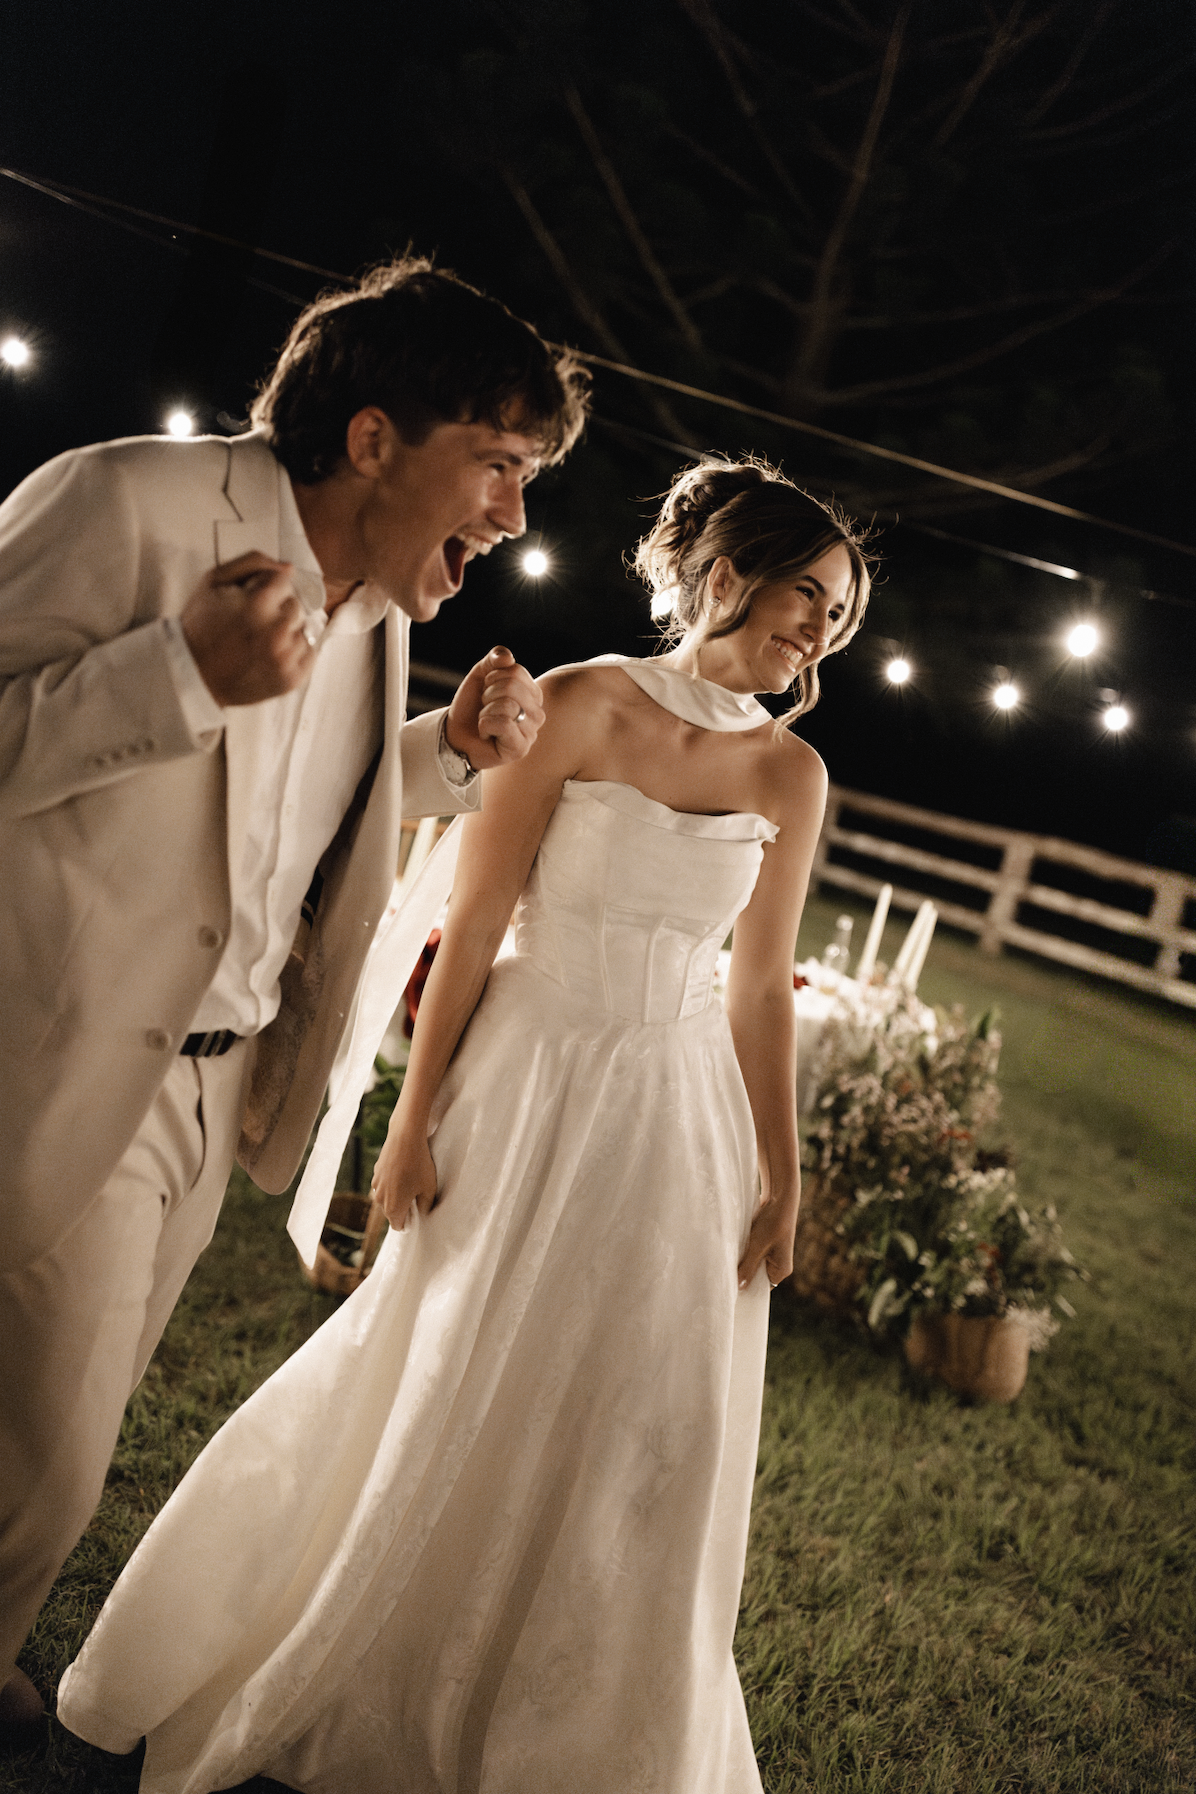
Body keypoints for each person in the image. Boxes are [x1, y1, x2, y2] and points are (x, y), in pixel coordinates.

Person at [57, 456, 873, 1793]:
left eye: (837, 617)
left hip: (675, 1115)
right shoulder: (581, 703)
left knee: (628, 1416)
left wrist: (781, 1173)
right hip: (527, 1068)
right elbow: (476, 924)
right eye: (807, 596)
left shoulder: (793, 774)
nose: (818, 631)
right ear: (727, 573)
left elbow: (759, 989)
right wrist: (410, 1116)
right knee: (430, 1356)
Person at [0, 256, 589, 1739]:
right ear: (376, 437)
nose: (515, 515)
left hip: (213, 1083)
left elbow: (293, 809)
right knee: (52, 1464)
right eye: (500, 467)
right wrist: (175, 672)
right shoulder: (129, 500)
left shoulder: (377, 605)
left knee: (48, 1441)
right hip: (55, 1046)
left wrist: (442, 754)